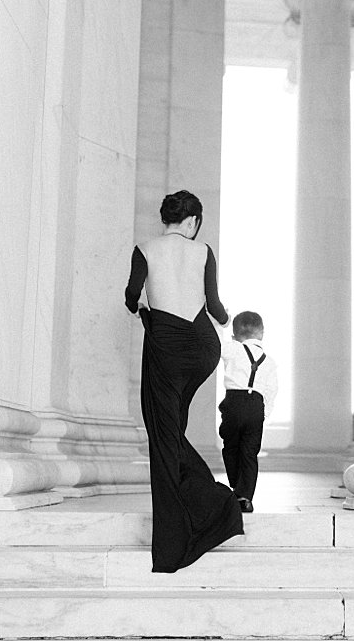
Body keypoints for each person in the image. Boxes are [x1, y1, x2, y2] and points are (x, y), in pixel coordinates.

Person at [124, 190, 243, 572]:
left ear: (169, 219)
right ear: (193, 222)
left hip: (166, 346)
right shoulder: (202, 250)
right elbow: (214, 305)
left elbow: (131, 295)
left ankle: (208, 513)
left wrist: (140, 305)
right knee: (171, 430)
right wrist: (227, 322)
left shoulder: (145, 248)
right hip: (201, 347)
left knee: (164, 433)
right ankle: (207, 506)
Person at [218, 311, 278, 513]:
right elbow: (272, 389)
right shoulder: (269, 361)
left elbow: (216, 343)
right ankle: (245, 497)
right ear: (262, 333)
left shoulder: (233, 348)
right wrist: (264, 412)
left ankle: (235, 484)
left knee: (230, 446)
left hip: (234, 402)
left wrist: (221, 323)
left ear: (235, 336)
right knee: (250, 453)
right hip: (255, 406)